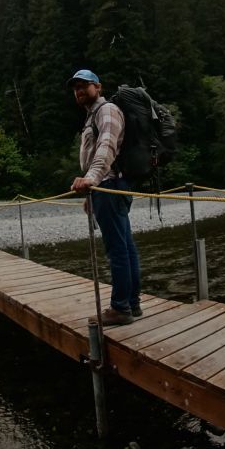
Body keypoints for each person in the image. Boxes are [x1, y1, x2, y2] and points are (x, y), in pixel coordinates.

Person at [67, 69, 142, 326]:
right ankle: (132, 304)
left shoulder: (106, 111)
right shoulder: (92, 116)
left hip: (110, 184)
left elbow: (107, 146)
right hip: (107, 187)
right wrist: (92, 192)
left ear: (98, 87)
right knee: (126, 246)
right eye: (75, 87)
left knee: (117, 250)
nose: (79, 90)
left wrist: (92, 180)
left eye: (84, 85)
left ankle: (120, 308)